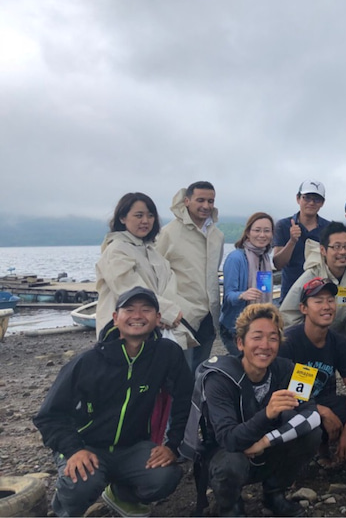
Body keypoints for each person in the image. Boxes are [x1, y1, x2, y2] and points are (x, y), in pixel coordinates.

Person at [34, 287, 193, 518]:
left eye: (146, 310)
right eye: (129, 310)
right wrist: (74, 450)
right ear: (116, 318)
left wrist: (172, 444)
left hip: (132, 447)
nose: (137, 316)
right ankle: (65, 511)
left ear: (158, 318)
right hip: (87, 444)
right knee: (80, 483)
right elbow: (48, 415)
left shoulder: (167, 353)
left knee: (165, 476)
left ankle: (122, 495)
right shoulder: (88, 362)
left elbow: (185, 396)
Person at [183, 304, 322, 516]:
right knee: (231, 462)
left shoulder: (288, 368)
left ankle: (274, 494)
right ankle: (230, 506)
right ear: (240, 342)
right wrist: (267, 414)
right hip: (226, 455)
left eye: (273, 338)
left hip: (265, 449)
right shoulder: (218, 378)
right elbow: (229, 439)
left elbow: (312, 415)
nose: (265, 345)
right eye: (257, 337)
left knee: (311, 434)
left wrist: (266, 441)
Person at [280, 278, 346, 466]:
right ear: (303, 308)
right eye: (318, 301)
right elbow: (277, 394)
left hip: (324, 399)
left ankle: (326, 446)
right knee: (290, 417)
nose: (326, 306)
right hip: (291, 405)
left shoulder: (339, 343)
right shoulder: (288, 342)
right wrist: (320, 411)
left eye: (330, 300)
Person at [95, 192, 196, 350]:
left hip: (160, 327)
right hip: (127, 331)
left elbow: (169, 287)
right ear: (122, 218)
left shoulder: (152, 251)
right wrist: (167, 312)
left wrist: (169, 314)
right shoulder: (116, 250)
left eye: (150, 215)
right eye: (139, 215)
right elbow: (129, 290)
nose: (145, 221)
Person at [279, 222, 346, 385]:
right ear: (323, 250)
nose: (342, 252)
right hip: (311, 339)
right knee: (309, 386)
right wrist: (303, 338)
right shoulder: (311, 277)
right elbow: (287, 313)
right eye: (336, 247)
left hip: (342, 336)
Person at [156, 181, 225, 372]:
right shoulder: (168, 233)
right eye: (200, 200)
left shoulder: (217, 235)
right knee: (180, 373)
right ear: (187, 201)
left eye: (210, 201)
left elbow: (213, 273)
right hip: (180, 315)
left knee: (200, 372)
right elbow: (155, 274)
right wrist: (163, 309)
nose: (206, 206)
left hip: (209, 316)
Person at [219, 212, 275, 355]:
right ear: (248, 233)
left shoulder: (265, 258)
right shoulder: (236, 258)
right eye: (257, 230)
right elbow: (228, 297)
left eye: (267, 231)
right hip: (235, 327)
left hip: (257, 324)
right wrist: (243, 295)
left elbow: (265, 291)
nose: (262, 235)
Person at [273, 180, 331, 299]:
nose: (311, 203)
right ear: (298, 198)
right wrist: (292, 241)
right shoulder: (283, 225)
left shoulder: (329, 228)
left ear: (322, 203)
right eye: (307, 198)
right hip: (290, 293)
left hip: (320, 293)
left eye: (317, 199)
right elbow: (278, 264)